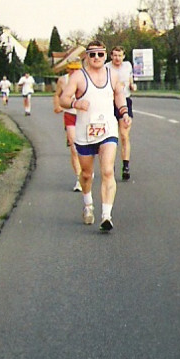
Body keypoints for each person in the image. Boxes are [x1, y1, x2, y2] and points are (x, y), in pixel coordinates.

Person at [58, 40, 131, 231]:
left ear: (105, 56)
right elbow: (63, 98)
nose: (96, 58)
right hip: (85, 133)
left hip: (107, 130)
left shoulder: (113, 75)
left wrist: (124, 113)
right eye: (92, 54)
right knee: (87, 174)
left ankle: (106, 215)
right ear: (87, 57)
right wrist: (75, 104)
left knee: (107, 171)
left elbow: (119, 95)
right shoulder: (78, 77)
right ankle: (88, 204)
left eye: (100, 54)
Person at [108, 45, 137, 180]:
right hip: (110, 102)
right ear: (111, 56)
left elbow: (130, 80)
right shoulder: (106, 68)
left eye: (119, 55)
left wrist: (132, 85)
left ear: (123, 56)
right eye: (114, 55)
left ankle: (125, 166)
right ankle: (110, 164)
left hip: (125, 101)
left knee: (124, 135)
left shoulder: (128, 66)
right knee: (111, 136)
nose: (117, 58)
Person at [54, 61, 83, 191]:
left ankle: (87, 171)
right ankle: (79, 178)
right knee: (73, 146)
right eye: (71, 69)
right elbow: (57, 94)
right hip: (70, 114)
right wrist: (57, 105)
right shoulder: (63, 80)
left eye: (77, 69)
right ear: (68, 69)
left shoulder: (86, 78)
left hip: (85, 115)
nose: (74, 71)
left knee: (88, 148)